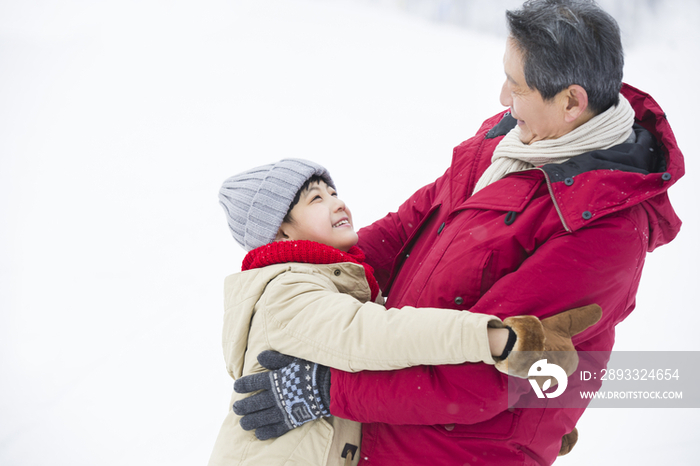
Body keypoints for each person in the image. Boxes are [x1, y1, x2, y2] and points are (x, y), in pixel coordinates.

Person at [231, 1, 685, 465]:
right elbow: (414, 222)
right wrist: (307, 273)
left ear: (571, 101)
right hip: (389, 420)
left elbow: (487, 372)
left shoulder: (603, 231)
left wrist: (328, 388)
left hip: (458, 449)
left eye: (518, 85)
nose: (502, 97)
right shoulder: (510, 139)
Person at [207, 158, 600, 466]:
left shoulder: (332, 282)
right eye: (316, 198)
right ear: (281, 232)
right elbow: (378, 336)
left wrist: (537, 427)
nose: (337, 201)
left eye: (332, 191)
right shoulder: (288, 292)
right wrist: (495, 337)